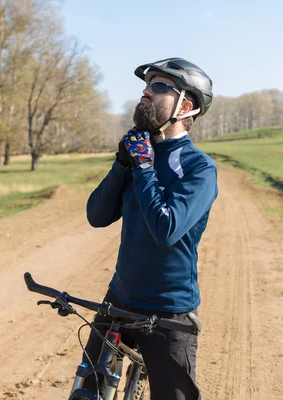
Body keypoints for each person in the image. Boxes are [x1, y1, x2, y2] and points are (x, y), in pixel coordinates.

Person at [84, 57, 218, 400]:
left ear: (186, 106)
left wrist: (144, 166)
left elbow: (166, 229)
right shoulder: (136, 153)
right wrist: (122, 164)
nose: (146, 92)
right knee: (88, 392)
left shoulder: (198, 168)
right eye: (147, 85)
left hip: (169, 311)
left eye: (159, 87)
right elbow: (97, 215)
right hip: (119, 300)